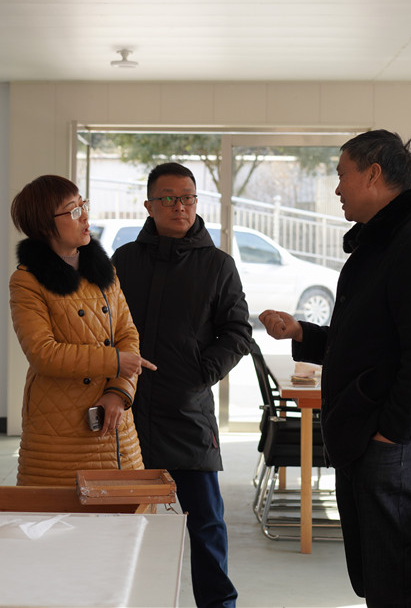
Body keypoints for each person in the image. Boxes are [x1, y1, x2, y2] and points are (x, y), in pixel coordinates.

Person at [260, 130, 411, 607]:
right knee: (376, 581)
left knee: (396, 585)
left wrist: (391, 433)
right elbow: (366, 343)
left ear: (373, 174)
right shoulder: (382, 243)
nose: (337, 188)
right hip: (370, 438)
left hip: (394, 444)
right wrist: (302, 333)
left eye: (341, 175)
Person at [111, 162, 251, 608]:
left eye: (188, 198)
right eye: (169, 198)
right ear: (149, 205)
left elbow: (237, 331)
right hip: (129, 414)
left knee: (206, 524)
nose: (180, 207)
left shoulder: (217, 265)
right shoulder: (124, 262)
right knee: (124, 522)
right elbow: (104, 327)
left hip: (188, 414)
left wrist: (201, 373)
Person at [9, 175, 155, 485]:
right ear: (45, 225)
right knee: (59, 511)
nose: (85, 217)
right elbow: (43, 354)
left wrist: (119, 392)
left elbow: (127, 334)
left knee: (125, 509)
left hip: (115, 419)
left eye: (83, 205)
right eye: (73, 210)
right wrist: (115, 362)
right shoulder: (27, 280)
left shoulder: (104, 270)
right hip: (59, 427)